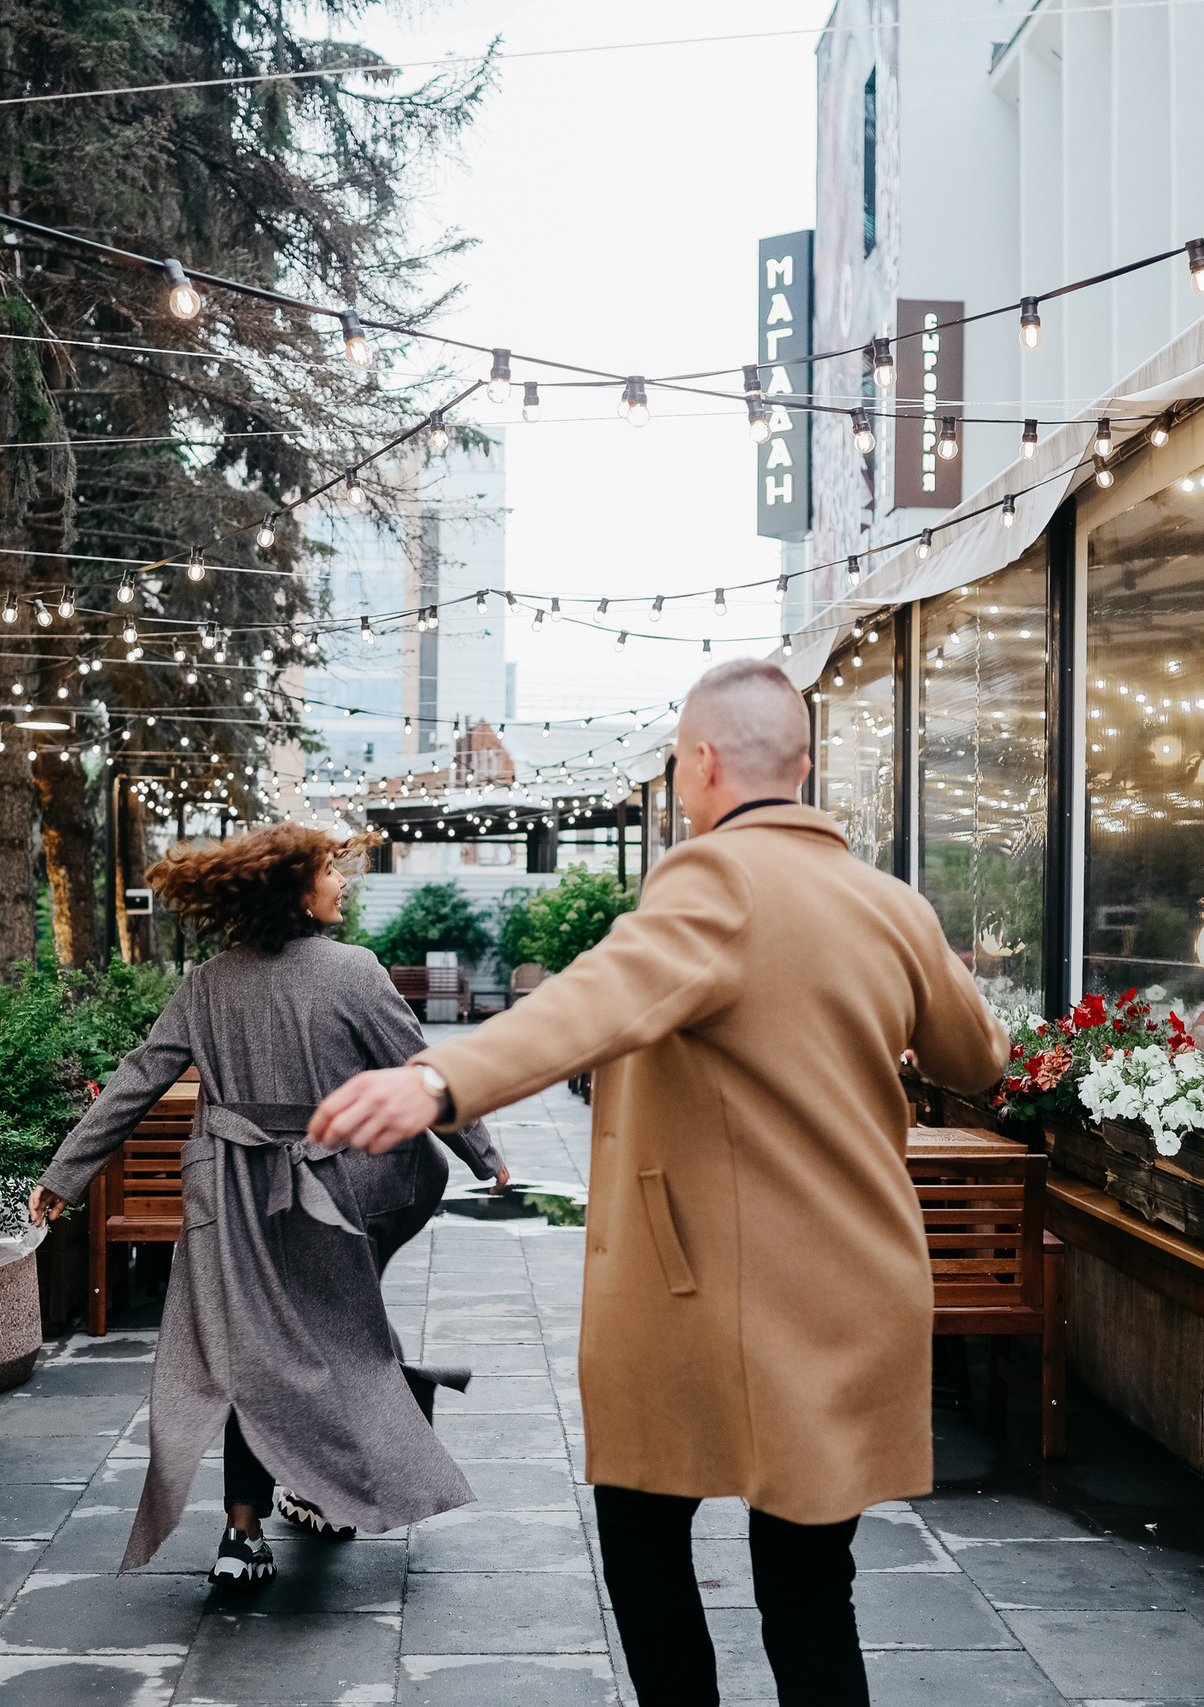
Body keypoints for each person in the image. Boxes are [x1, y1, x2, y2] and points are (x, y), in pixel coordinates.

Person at [310, 658, 1009, 1704]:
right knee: (812, 1588)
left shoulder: (714, 880)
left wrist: (441, 1075)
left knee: (645, 1551)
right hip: (861, 1290)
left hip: (709, 1297)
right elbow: (979, 1058)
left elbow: (596, 997)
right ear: (806, 768)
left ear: (701, 763)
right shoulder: (892, 905)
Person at [27, 825, 507, 1586]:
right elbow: (425, 1074)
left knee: (252, 1356)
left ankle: (243, 1531)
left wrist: (66, 1173)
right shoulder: (357, 973)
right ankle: (311, 1493)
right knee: (325, 1348)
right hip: (331, 1201)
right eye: (329, 872)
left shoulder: (209, 982)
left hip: (228, 1200)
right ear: (295, 891)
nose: (341, 883)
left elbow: (137, 1078)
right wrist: (485, 1155)